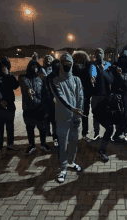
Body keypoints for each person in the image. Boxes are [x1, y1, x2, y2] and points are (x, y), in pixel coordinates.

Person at [48, 53, 84, 183]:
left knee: (74, 141)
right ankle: (63, 168)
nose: (67, 66)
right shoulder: (55, 81)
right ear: (60, 65)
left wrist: (78, 114)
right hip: (62, 117)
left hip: (75, 117)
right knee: (63, 143)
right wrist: (72, 108)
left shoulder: (76, 80)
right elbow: (60, 97)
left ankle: (71, 162)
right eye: (64, 64)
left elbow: (80, 97)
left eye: (69, 64)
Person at [92, 65, 125, 162]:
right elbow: (98, 112)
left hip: (111, 112)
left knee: (123, 122)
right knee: (110, 128)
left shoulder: (118, 96)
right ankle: (101, 151)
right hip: (101, 114)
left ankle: (115, 137)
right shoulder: (106, 99)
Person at [18, 59, 51, 155]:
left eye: (36, 67)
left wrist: (45, 106)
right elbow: (24, 84)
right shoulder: (23, 77)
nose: (34, 69)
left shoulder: (41, 78)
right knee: (30, 128)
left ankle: (43, 143)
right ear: (29, 68)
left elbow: (45, 92)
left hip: (40, 108)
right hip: (28, 108)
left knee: (42, 128)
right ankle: (31, 145)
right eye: (32, 67)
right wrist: (28, 89)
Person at [0, 57, 20, 159]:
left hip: (10, 104)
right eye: (2, 65)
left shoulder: (9, 76)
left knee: (10, 126)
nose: (4, 67)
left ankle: (10, 144)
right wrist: (0, 100)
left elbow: (16, 86)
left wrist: (8, 75)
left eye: (6, 65)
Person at [111, 50, 127, 142]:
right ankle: (118, 133)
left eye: (126, 59)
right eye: (122, 58)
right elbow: (109, 67)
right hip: (118, 96)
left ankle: (125, 132)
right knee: (118, 114)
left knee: (126, 115)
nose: (124, 61)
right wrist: (115, 68)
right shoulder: (115, 68)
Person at [72, 51, 94, 142]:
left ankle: (84, 134)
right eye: (78, 57)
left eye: (82, 57)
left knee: (85, 115)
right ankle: (74, 134)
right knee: (75, 116)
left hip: (85, 94)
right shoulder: (72, 67)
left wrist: (88, 92)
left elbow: (90, 79)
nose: (80, 59)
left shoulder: (89, 66)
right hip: (75, 95)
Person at [90, 48, 111, 140]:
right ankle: (96, 133)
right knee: (95, 114)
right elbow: (92, 72)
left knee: (107, 114)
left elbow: (111, 78)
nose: (99, 54)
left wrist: (103, 70)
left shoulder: (108, 65)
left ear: (104, 54)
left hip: (106, 94)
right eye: (97, 52)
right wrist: (92, 77)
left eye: (101, 52)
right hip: (96, 94)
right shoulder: (93, 65)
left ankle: (108, 133)